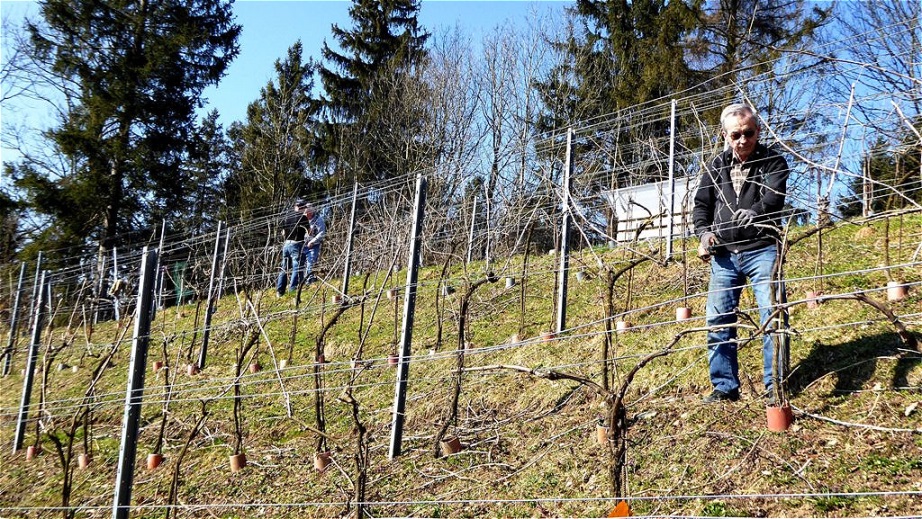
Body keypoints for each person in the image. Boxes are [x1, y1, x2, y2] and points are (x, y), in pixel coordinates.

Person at [692, 103, 790, 404]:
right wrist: (704, 233)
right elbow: (701, 206)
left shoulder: (774, 162)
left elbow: (773, 198)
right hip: (723, 256)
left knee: (772, 316)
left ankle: (776, 385)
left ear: (757, 131)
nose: (743, 140)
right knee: (719, 321)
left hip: (762, 250)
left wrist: (755, 212)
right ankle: (724, 386)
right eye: (736, 134)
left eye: (749, 133)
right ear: (725, 135)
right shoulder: (714, 166)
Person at [276, 199, 310, 296]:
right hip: (296, 243)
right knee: (297, 266)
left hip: (286, 244)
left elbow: (282, 232)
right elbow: (309, 231)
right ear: (302, 207)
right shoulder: (303, 218)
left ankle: (280, 291)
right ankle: (293, 289)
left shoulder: (287, 216)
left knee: (284, 267)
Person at [300, 203, 326, 284]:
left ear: (311, 212)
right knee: (301, 264)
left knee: (310, 262)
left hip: (313, 245)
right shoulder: (302, 219)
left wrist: (312, 241)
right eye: (304, 213)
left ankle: (309, 280)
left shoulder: (319, 220)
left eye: (307, 213)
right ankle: (301, 282)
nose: (305, 215)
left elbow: (321, 233)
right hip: (302, 244)